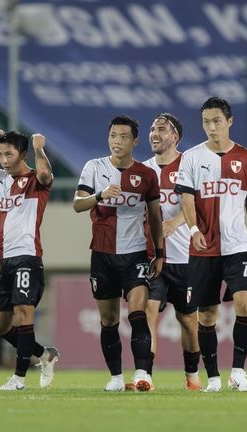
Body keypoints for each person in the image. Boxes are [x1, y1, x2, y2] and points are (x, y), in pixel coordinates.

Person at [175, 97, 247, 392]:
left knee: (244, 302)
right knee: (206, 315)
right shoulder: (191, 157)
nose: (211, 127)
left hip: (238, 245)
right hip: (204, 247)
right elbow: (186, 197)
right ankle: (212, 377)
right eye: (206, 122)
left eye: (216, 121)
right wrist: (193, 229)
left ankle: (238, 371)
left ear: (229, 121)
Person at [73, 115, 164, 392]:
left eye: (124, 137)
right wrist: (99, 195)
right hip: (102, 255)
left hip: (135, 254)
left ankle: (143, 374)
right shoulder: (94, 167)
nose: (117, 141)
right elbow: (77, 204)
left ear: (135, 141)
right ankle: (115, 377)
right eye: (113, 135)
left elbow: (156, 216)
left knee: (138, 313)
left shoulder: (146, 175)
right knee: (109, 320)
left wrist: (159, 252)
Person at [0, 130, 59, 391]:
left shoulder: (35, 181)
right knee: (1, 325)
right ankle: (44, 355)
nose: (4, 159)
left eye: (9, 153)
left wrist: (40, 149)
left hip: (27, 257)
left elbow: (44, 174)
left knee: (23, 315)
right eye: (0, 154)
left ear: (23, 154)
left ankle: (19, 379)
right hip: (2, 261)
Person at [133, 113, 202, 391]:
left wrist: (176, 221)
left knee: (188, 321)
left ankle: (192, 375)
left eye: (161, 129)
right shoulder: (143, 170)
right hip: (153, 258)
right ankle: (144, 374)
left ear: (175, 136)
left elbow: (201, 203)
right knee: (148, 310)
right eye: (152, 129)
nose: (154, 133)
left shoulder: (190, 165)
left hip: (185, 258)